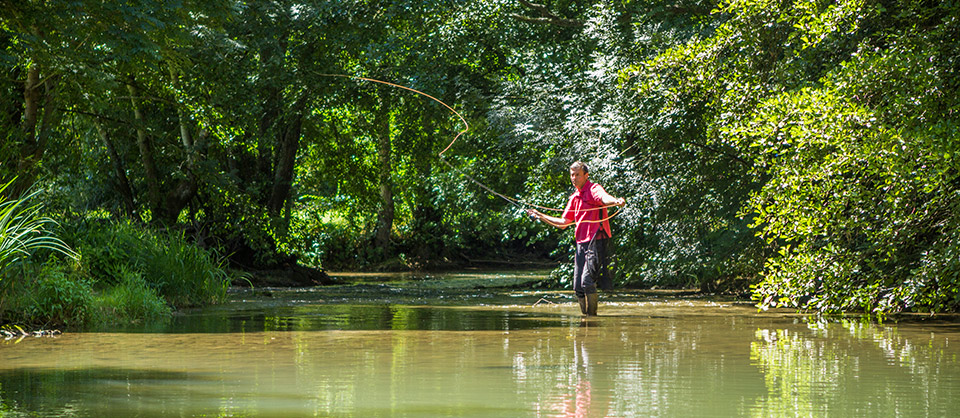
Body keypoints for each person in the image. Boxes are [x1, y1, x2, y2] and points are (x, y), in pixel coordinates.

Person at [527, 161, 626, 316]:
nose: (574, 178)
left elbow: (604, 198)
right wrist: (540, 216)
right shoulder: (574, 198)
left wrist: (616, 201)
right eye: (572, 175)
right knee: (577, 287)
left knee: (587, 281)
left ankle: (591, 318)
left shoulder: (594, 189)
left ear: (586, 175)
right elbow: (563, 223)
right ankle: (585, 317)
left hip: (596, 239)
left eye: (577, 175)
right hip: (581, 243)